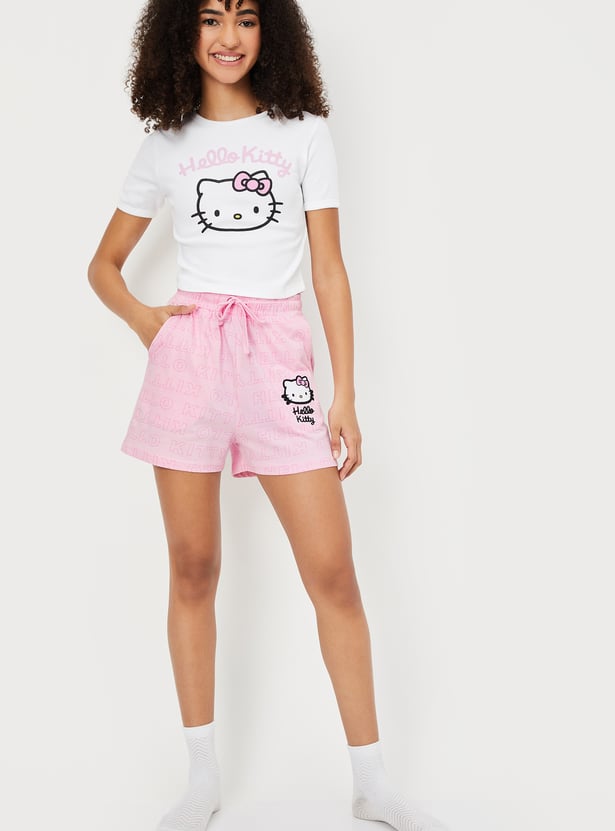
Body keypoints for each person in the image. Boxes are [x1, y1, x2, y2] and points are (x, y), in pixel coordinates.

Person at [88, 1, 449, 830]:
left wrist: (343, 392)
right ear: (182, 32)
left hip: (279, 356)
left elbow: (328, 269)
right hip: (189, 356)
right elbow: (103, 265)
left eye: (246, 19)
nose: (228, 37)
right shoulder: (165, 144)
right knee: (193, 566)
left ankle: (371, 780)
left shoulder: (303, 134)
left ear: (270, 33)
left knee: (332, 571)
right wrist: (147, 322)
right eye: (211, 18)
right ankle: (202, 778)